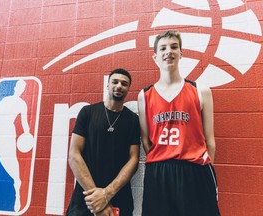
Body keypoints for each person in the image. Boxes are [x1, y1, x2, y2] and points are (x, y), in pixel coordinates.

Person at [138, 30, 220, 216]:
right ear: (155, 56)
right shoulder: (145, 95)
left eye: (174, 47)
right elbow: (146, 140)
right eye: (163, 48)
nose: (169, 51)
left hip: (194, 169)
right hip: (159, 171)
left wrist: (202, 167)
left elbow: (210, 141)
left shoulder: (201, 90)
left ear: (181, 53)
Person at [66, 68, 141, 216]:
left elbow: (134, 159)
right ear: (107, 85)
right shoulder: (87, 112)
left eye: (124, 84)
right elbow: (74, 154)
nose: (119, 86)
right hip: (86, 198)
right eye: (115, 82)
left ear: (128, 89)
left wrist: (106, 194)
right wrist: (97, 199)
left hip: (119, 197)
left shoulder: (133, 120)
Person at [0, 79, 31, 212]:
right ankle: (15, 182)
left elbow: (25, 122)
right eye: (20, 86)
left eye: (23, 87)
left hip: (8, 130)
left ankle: (17, 188)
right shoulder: (6, 100)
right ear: (16, 87)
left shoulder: (22, 104)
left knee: (12, 160)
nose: (21, 89)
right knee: (2, 161)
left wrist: (27, 135)